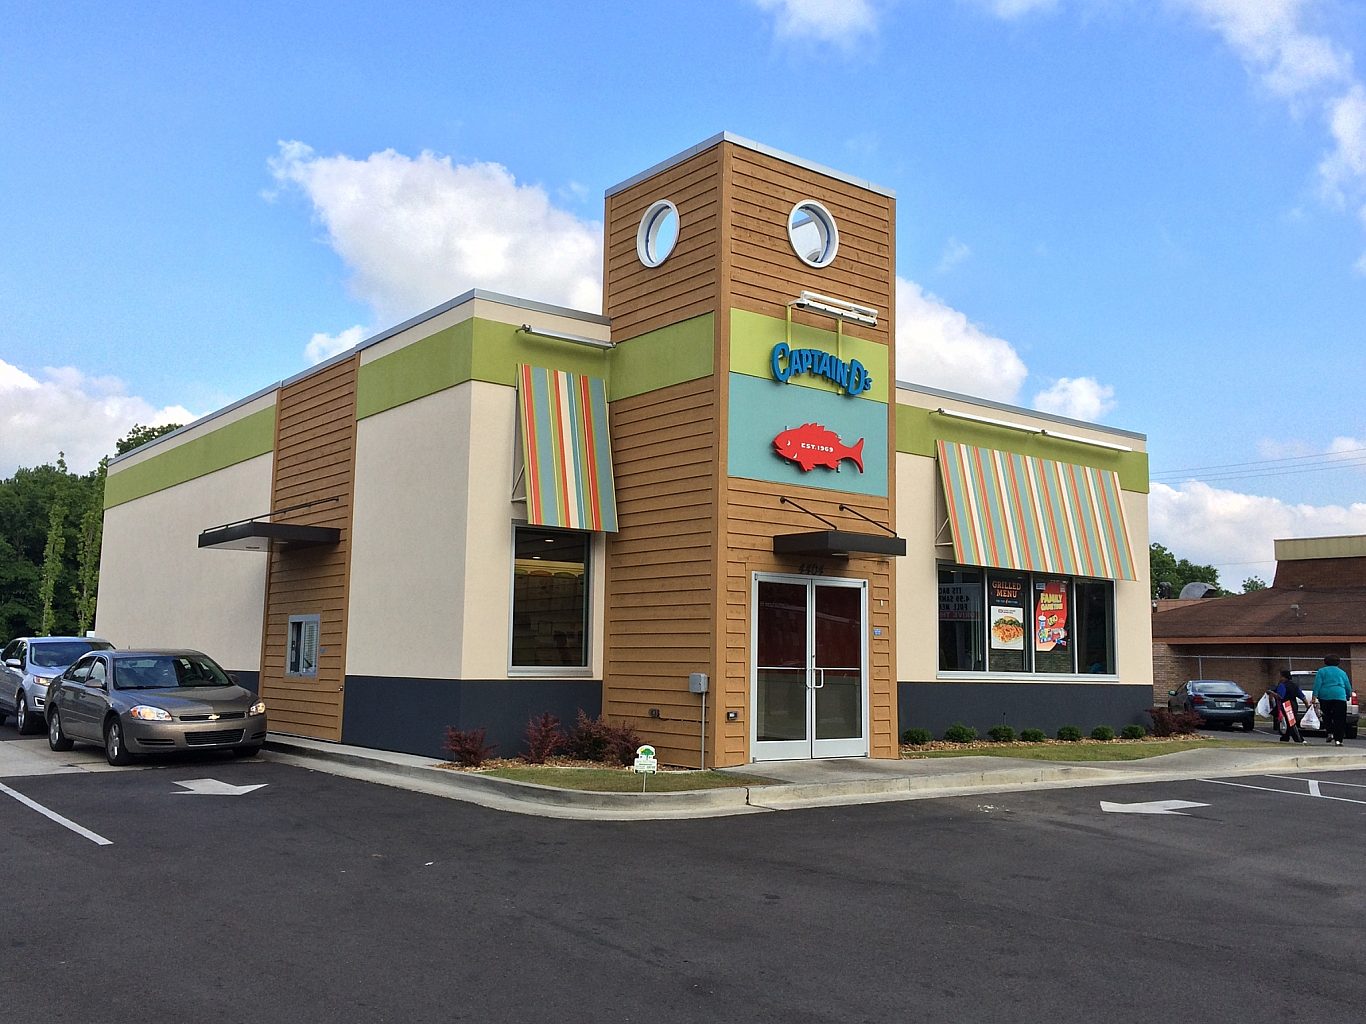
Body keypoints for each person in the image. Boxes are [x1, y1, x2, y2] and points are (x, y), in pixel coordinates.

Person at [1312, 655, 1354, 746]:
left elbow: (1317, 684)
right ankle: (1339, 740)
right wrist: (1348, 695)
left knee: (1327, 716)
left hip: (1325, 696)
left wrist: (1314, 696)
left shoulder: (1321, 671)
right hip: (1340, 696)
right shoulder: (1342, 672)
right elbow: (1347, 685)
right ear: (1338, 662)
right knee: (1340, 718)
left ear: (1325, 662)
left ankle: (1330, 732)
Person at [1273, 669, 1306, 743]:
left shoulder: (1282, 685)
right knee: (1288, 722)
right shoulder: (1294, 685)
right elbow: (1301, 695)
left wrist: (1271, 693)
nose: (1279, 678)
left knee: (1290, 722)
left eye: (1280, 676)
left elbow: (1280, 696)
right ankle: (1285, 737)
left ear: (1283, 677)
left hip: (1286, 704)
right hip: (1294, 704)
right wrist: (1306, 704)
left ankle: (1299, 739)